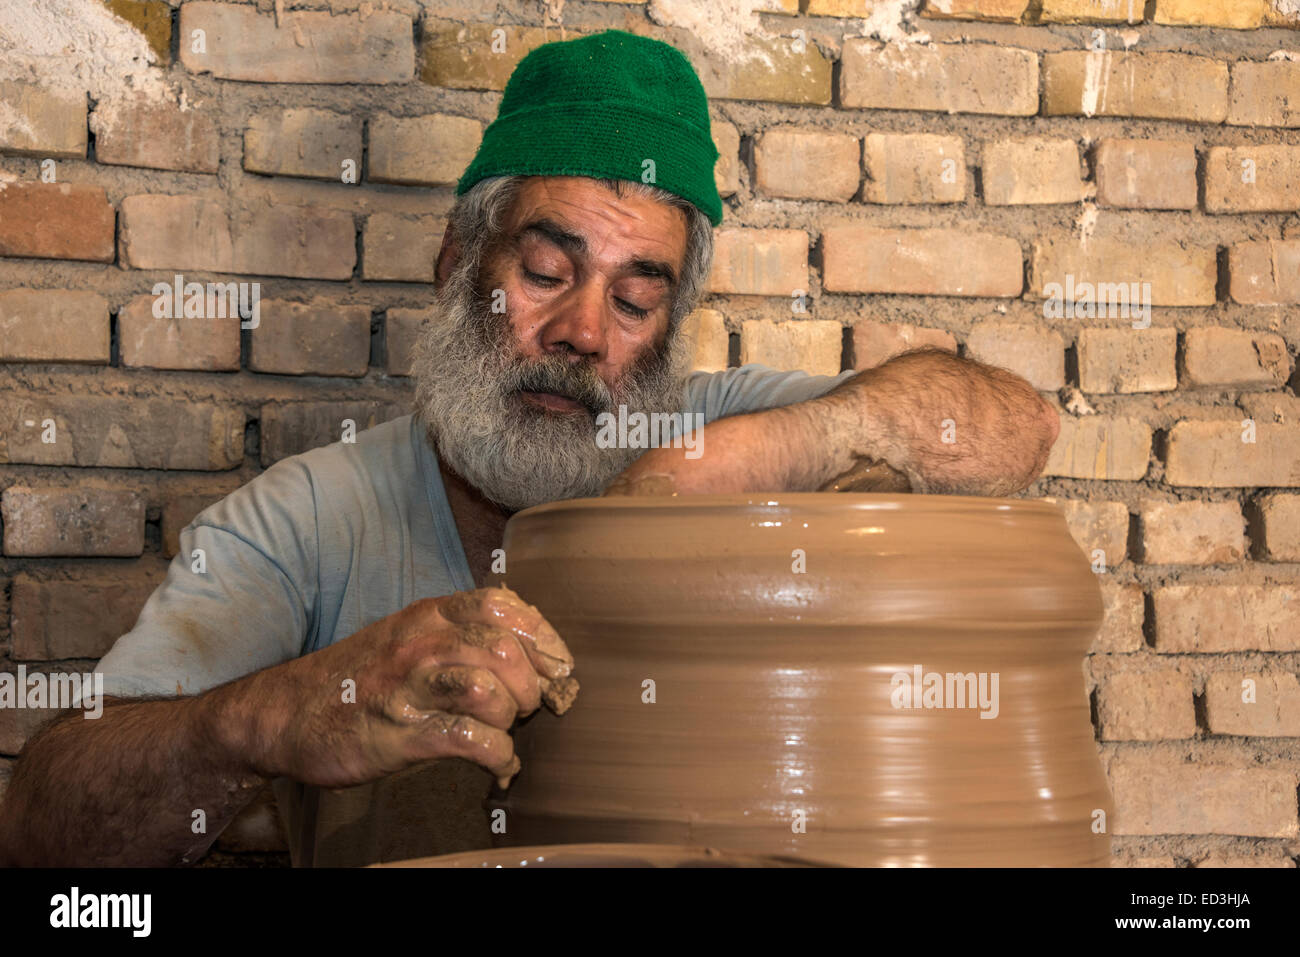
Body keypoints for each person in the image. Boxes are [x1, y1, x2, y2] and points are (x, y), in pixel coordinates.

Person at [0, 30, 1057, 867]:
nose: (584, 335)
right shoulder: (304, 522)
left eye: (636, 300)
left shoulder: (718, 422)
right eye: (548, 273)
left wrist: (733, 462)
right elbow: (44, 831)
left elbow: (1014, 426)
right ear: (460, 261)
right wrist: (272, 715)